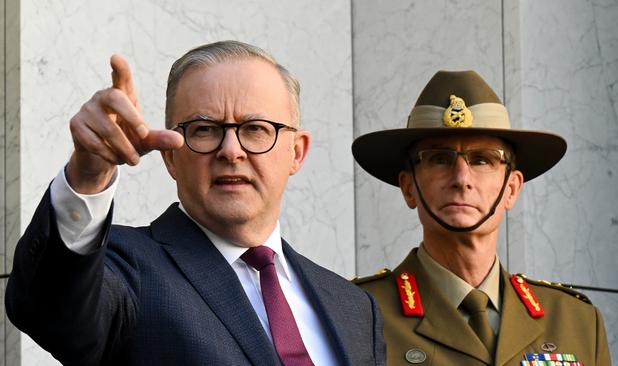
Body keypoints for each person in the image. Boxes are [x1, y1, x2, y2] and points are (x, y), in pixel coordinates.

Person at [6, 41, 385, 366]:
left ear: (296, 152)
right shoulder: (125, 269)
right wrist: (87, 178)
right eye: (205, 130)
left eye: (255, 129)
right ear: (171, 156)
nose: (231, 151)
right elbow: (50, 309)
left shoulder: (355, 308)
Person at [352, 70, 611, 366]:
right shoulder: (357, 315)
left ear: (511, 189)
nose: (462, 178)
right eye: (439, 158)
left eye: (482, 159)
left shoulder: (575, 321)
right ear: (409, 188)